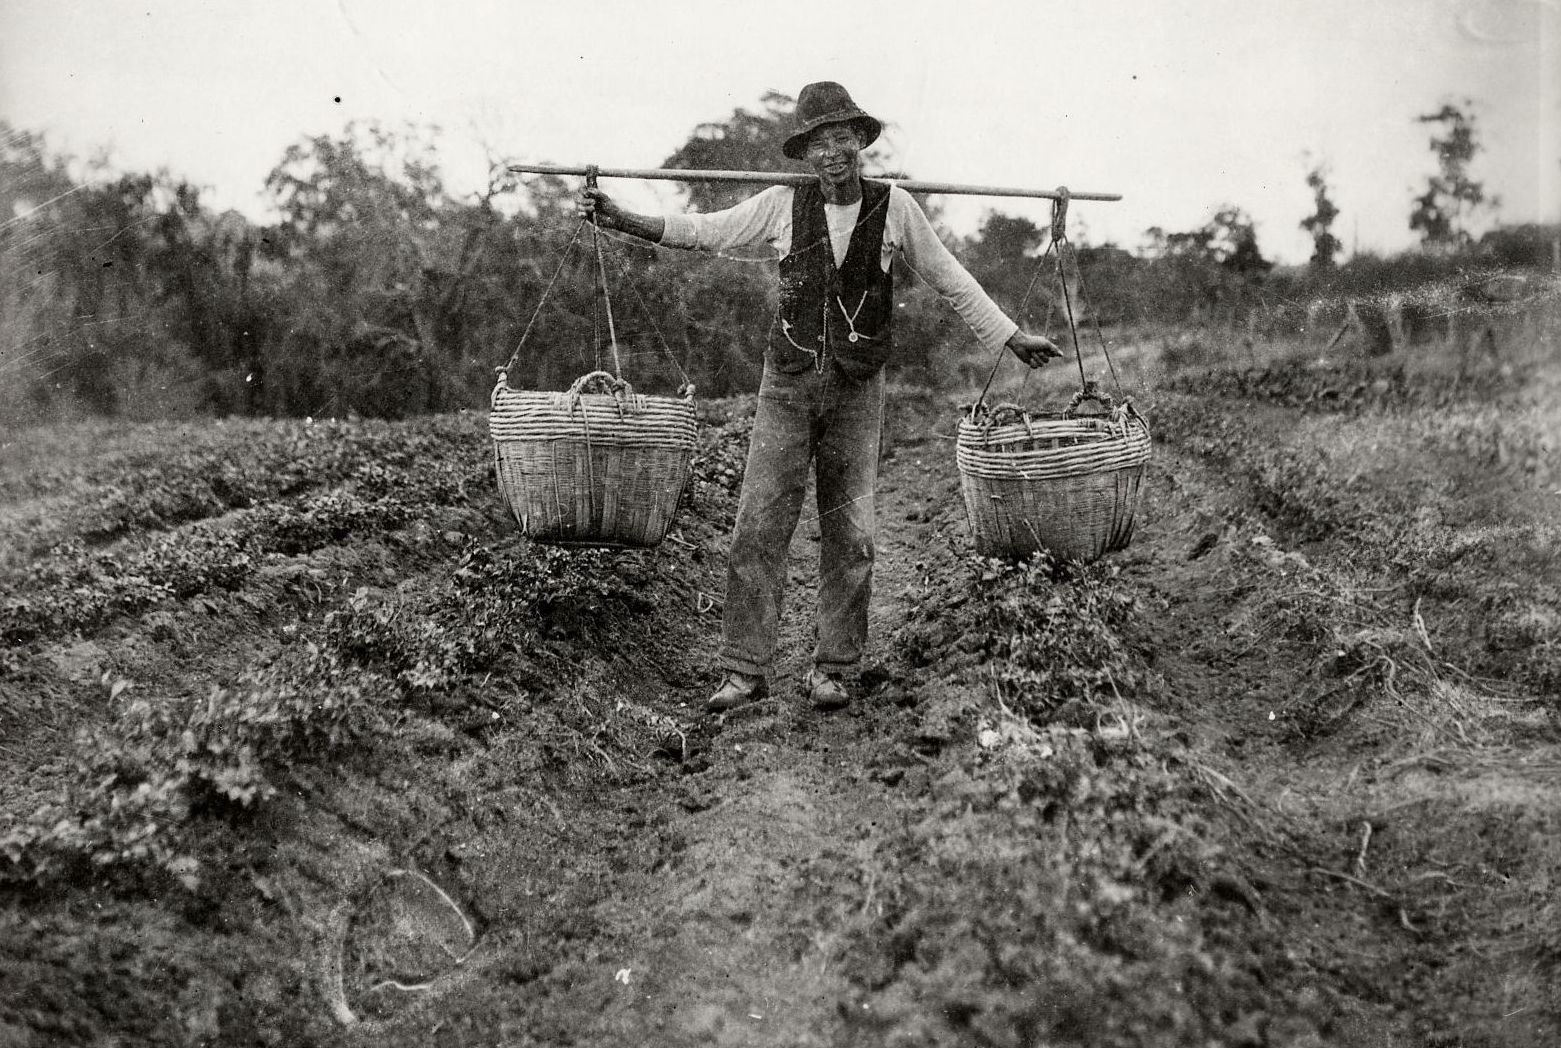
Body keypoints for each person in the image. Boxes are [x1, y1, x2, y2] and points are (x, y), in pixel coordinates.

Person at [579, 81, 1062, 714]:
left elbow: (953, 282)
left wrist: (1011, 337)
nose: (832, 153)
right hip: (788, 386)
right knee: (758, 525)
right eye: (818, 143)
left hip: (859, 388)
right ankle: (744, 669)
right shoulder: (782, 206)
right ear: (805, 153)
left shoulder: (896, 210)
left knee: (853, 532)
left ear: (861, 144)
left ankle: (835, 667)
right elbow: (699, 230)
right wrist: (619, 218)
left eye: (842, 139)